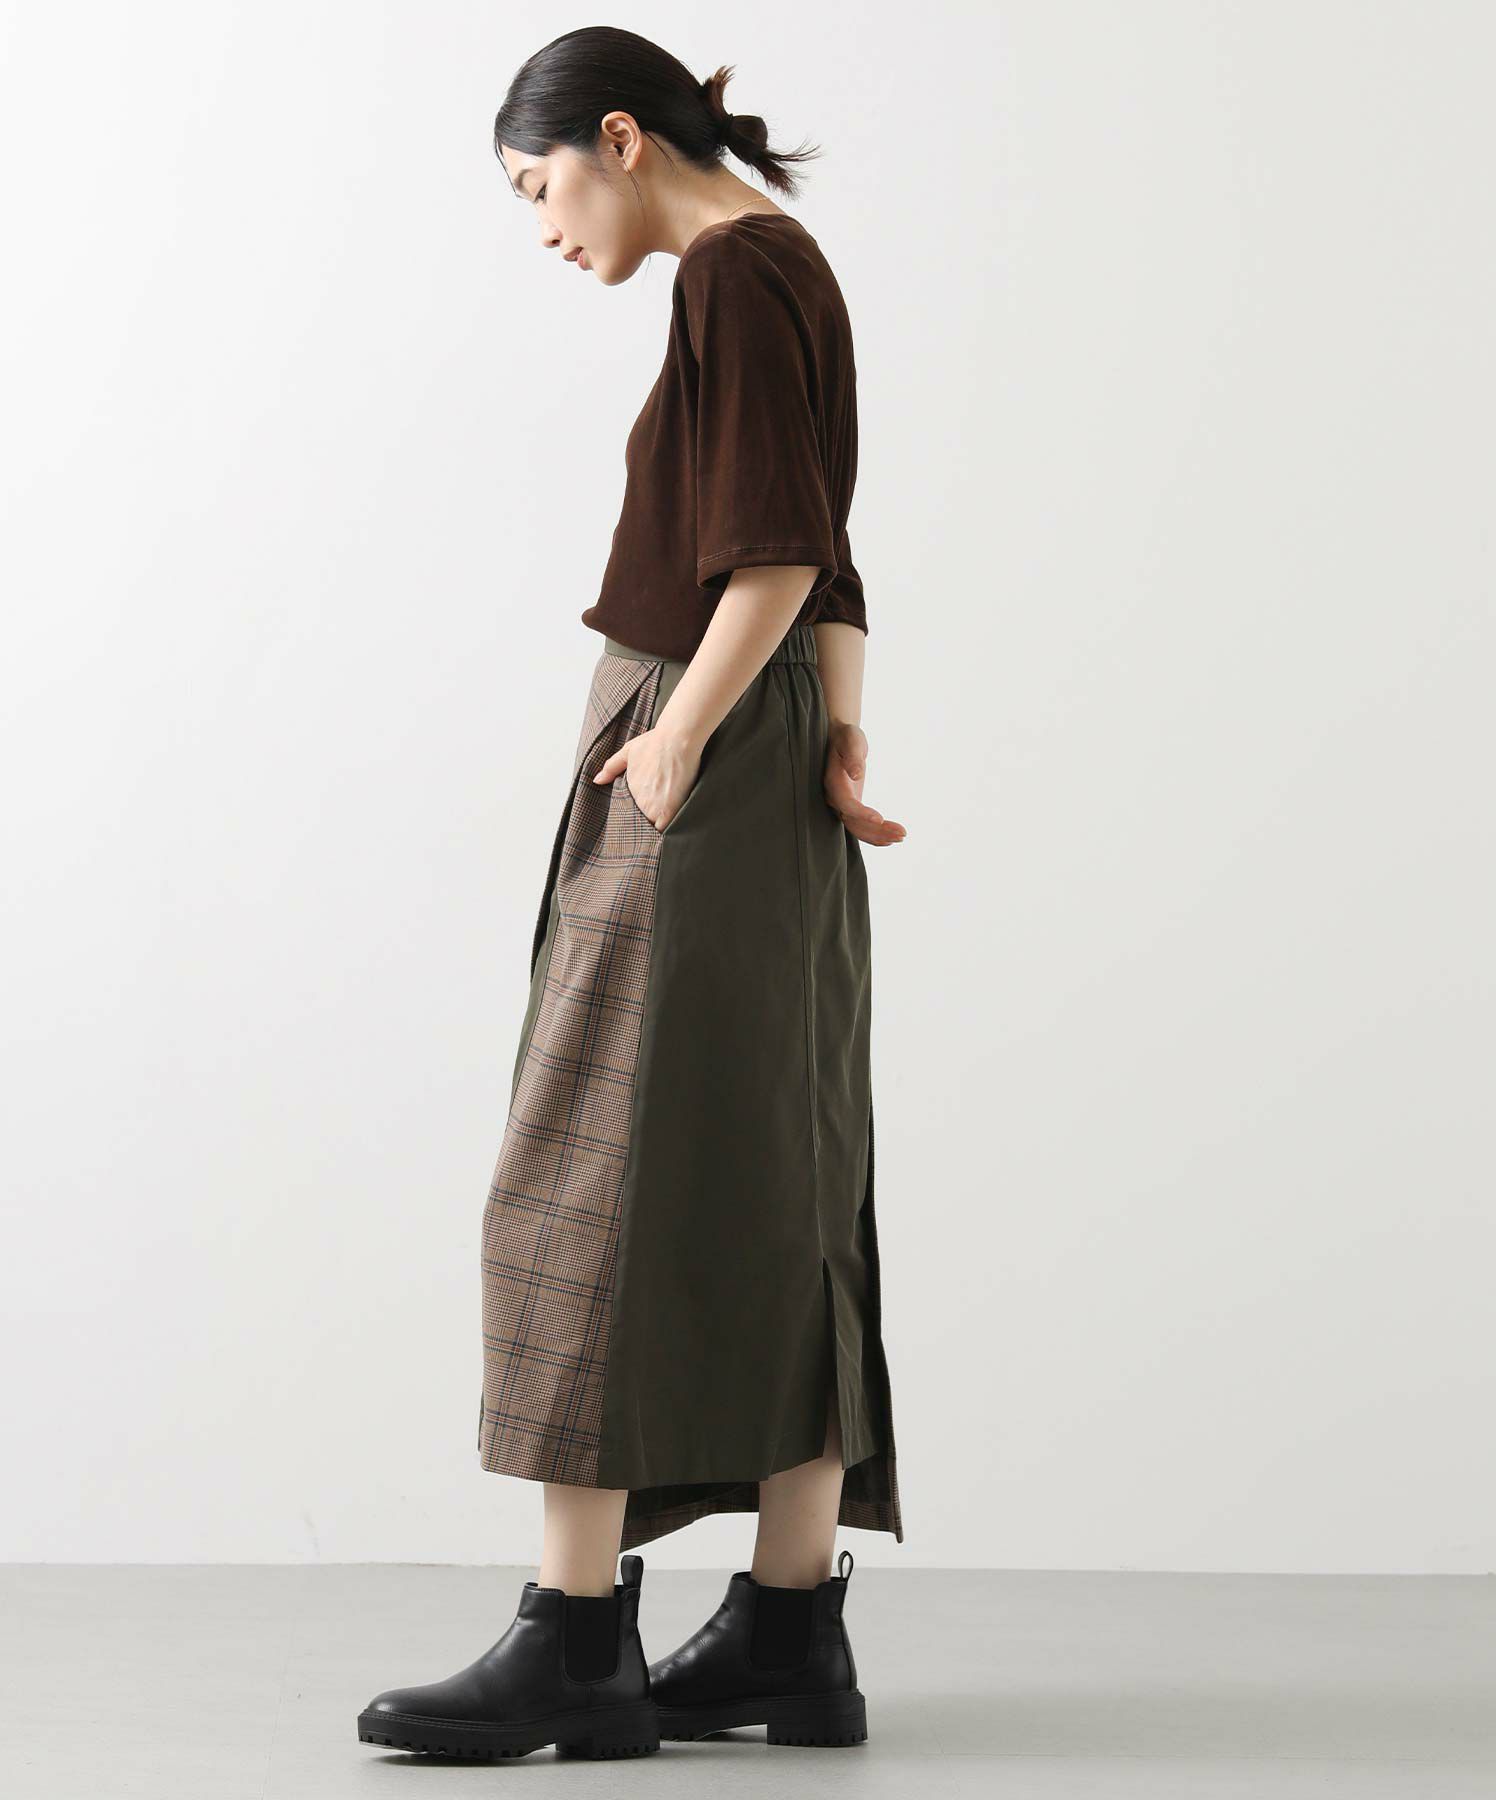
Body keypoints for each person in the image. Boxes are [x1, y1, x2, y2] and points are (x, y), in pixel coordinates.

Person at [358, 25, 906, 1763]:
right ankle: (789, 1632)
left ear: (616, 138)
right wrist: (837, 736)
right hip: (775, 745)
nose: (543, 228)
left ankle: (576, 1637)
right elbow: (830, 552)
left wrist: (675, 738)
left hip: (698, 727)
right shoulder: (790, 265)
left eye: (540, 188)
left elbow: (779, 549)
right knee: (781, 1168)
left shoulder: (731, 277)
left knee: (581, 1164)